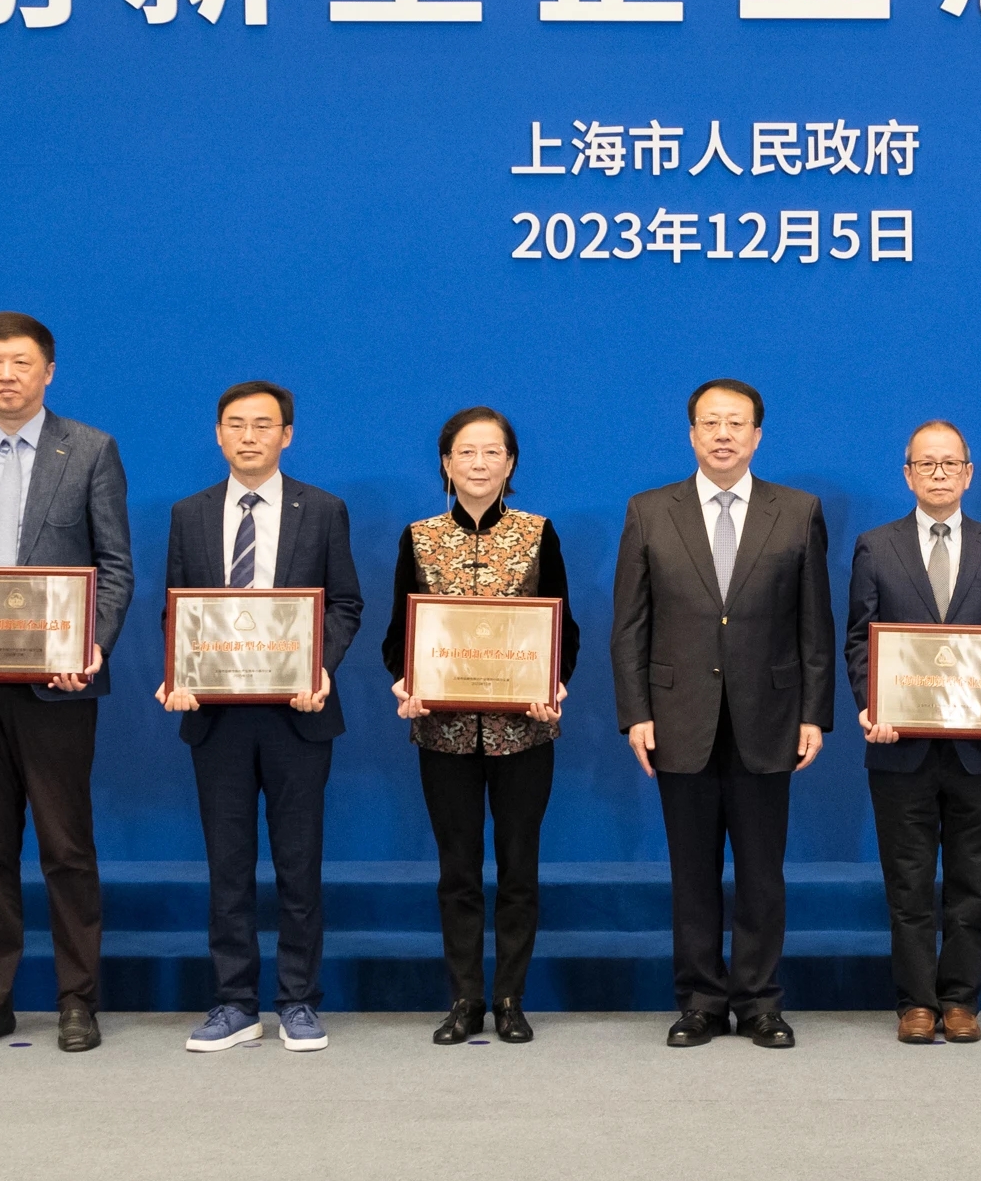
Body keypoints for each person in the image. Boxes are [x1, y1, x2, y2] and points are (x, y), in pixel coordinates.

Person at [0, 312, 132, 1054]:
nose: (5, 375)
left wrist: (92, 645)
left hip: (57, 683)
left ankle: (78, 1001)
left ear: (48, 372)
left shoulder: (91, 449)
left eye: (20, 362)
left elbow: (115, 565)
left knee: (66, 848)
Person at [610, 377, 833, 1048]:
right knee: (692, 874)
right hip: (679, 717)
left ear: (757, 436)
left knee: (763, 873)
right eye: (711, 422)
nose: (724, 434)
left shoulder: (797, 511)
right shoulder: (650, 511)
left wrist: (815, 713)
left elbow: (814, 623)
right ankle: (701, 1001)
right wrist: (636, 712)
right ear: (691, 435)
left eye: (737, 423)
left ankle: (761, 1001)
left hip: (771, 715)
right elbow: (630, 625)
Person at [161, 380, 361, 1054]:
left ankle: (299, 1001)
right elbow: (177, 608)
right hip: (216, 716)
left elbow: (345, 605)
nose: (249, 436)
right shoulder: (189, 513)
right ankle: (234, 1002)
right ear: (218, 434)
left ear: (287, 435)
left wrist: (319, 668)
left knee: (299, 865)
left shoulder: (323, 510)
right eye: (236, 424)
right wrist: (179, 675)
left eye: (263, 425)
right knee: (228, 866)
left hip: (297, 715)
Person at [383, 406, 577, 1045]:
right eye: (466, 452)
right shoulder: (419, 537)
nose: (479, 463)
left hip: (524, 732)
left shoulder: (537, 532)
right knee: (457, 871)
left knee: (519, 869)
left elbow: (563, 629)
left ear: (510, 463)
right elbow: (398, 636)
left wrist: (554, 685)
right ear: (446, 462)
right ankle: (465, 999)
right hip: (443, 734)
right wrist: (406, 681)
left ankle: (510, 998)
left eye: (493, 452)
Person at [846, 419, 981, 1045]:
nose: (939, 474)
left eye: (950, 463)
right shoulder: (876, 547)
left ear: (969, 474)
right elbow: (860, 641)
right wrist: (871, 704)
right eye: (926, 464)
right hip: (900, 747)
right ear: (908, 475)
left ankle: (960, 1000)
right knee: (909, 883)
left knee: (973, 883)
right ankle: (916, 1002)